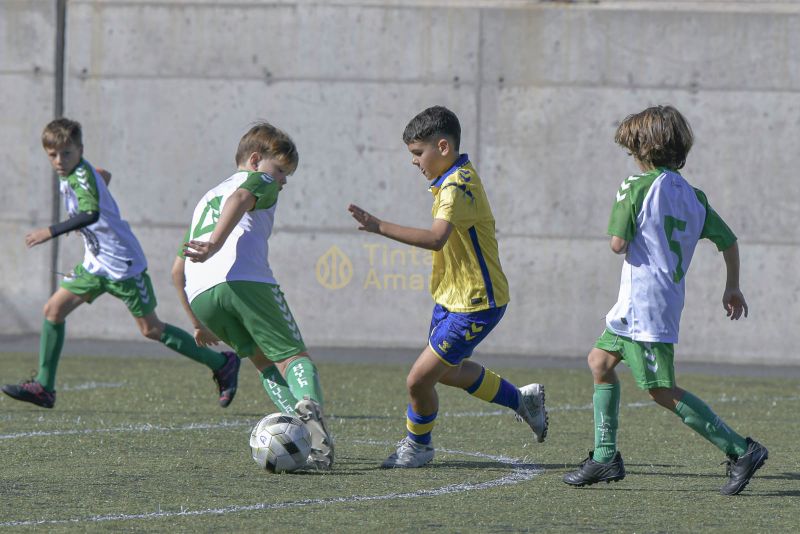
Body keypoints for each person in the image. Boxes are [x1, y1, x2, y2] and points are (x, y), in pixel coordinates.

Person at [562, 105, 768, 496]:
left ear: (644, 150)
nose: (631, 159)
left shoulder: (635, 187)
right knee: (599, 361)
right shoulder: (695, 197)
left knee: (661, 390)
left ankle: (742, 450)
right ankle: (605, 457)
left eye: (631, 151)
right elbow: (728, 241)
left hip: (646, 307)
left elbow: (617, 244)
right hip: (647, 303)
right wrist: (732, 286)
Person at [348, 105, 548, 468]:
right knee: (449, 372)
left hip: (476, 302)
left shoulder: (457, 186)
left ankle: (419, 447)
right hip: (453, 298)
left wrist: (379, 226)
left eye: (417, 153)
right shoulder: (451, 178)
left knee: (418, 381)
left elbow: (437, 238)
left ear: (443, 147)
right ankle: (522, 400)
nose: (414, 162)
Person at [2, 118, 240, 409]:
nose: (59, 160)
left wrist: (49, 231)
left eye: (66, 153)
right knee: (53, 310)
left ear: (80, 150)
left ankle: (221, 362)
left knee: (151, 329)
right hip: (96, 262)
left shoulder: (79, 176)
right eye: (53, 154)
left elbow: (89, 213)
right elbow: (103, 174)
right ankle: (44, 387)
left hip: (122, 264)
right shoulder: (76, 172)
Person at [176, 121, 333, 470]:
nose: (283, 181)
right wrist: (216, 244)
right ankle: (318, 443)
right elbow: (242, 197)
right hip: (245, 282)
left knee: (263, 363)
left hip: (201, 293)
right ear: (255, 158)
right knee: (293, 357)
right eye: (281, 170)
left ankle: (298, 436)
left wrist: (197, 323)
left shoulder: (205, 199)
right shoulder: (258, 181)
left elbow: (176, 270)